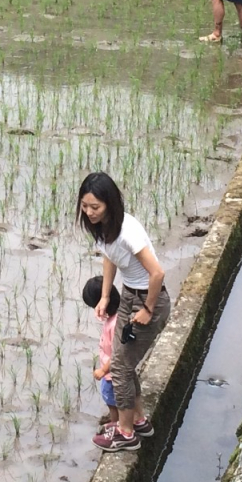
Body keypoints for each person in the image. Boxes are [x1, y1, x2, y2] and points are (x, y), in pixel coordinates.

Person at [76, 172, 170, 453]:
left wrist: (148, 310)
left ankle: (126, 433)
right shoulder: (105, 229)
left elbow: (157, 273)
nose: (90, 213)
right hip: (129, 293)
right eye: (85, 206)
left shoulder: (127, 231)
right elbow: (109, 257)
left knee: (120, 368)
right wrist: (105, 296)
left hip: (148, 299)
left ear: (110, 204)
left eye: (96, 207)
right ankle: (138, 420)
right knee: (121, 362)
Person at [83, 275, 121, 431]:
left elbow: (119, 355)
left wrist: (103, 370)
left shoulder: (114, 325)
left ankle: (115, 425)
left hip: (111, 374)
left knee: (112, 401)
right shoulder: (117, 318)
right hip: (114, 372)